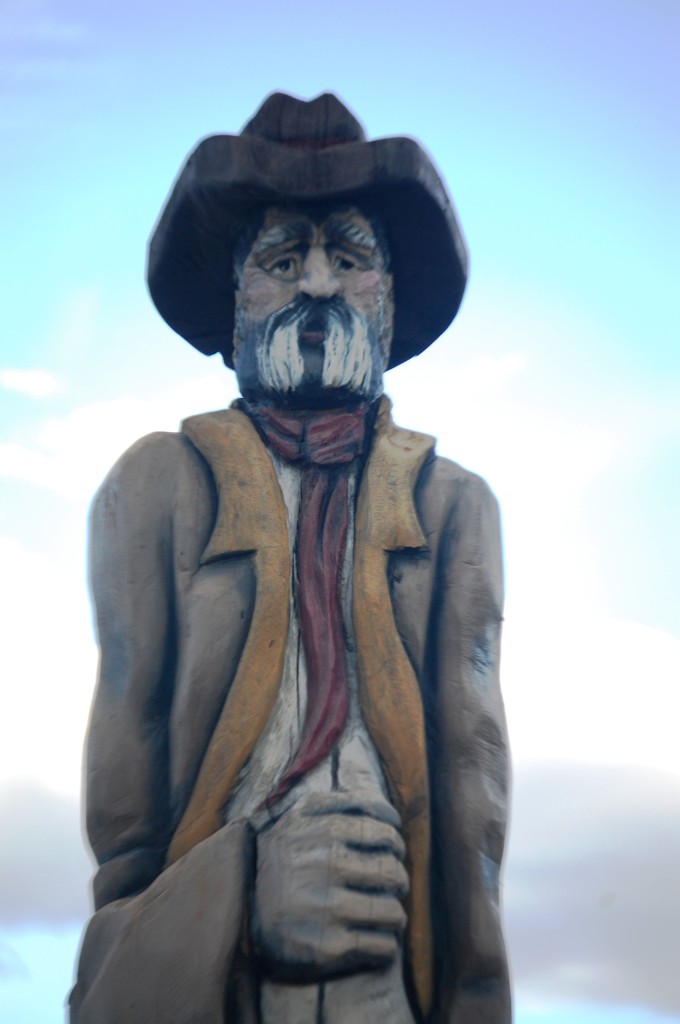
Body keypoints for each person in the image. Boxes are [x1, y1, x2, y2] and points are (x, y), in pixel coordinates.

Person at [70, 92, 511, 1024]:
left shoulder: (451, 504)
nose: (317, 285)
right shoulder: (156, 489)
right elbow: (125, 840)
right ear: (236, 306)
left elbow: (474, 817)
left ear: (388, 300)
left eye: (349, 258)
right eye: (282, 260)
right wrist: (240, 888)